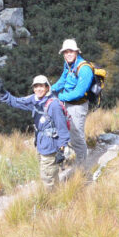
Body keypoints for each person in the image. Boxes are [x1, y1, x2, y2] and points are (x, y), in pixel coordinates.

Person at [0, 74, 70, 190]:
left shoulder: (54, 105)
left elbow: (62, 129)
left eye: (41, 86)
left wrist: (61, 150)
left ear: (47, 87)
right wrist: (3, 93)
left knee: (48, 176)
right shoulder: (34, 100)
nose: (38, 89)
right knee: (47, 174)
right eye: (35, 86)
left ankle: (53, 200)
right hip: (41, 144)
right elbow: (16, 102)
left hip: (50, 145)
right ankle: (57, 195)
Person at [50, 38, 93, 169]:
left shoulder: (84, 69)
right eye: (65, 52)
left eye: (71, 51)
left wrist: (60, 97)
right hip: (67, 104)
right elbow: (63, 80)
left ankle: (82, 170)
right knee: (66, 132)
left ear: (76, 52)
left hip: (78, 106)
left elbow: (79, 92)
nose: (68, 54)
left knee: (77, 138)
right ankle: (72, 159)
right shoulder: (68, 64)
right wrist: (50, 90)